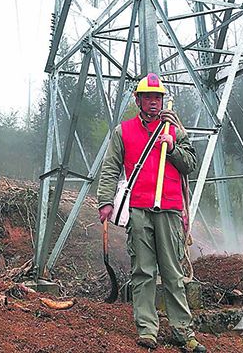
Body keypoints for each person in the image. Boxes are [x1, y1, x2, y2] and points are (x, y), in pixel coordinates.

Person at [96, 73, 206, 352]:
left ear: (162, 100)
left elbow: (190, 163)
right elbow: (110, 168)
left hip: (170, 208)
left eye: (157, 98)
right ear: (139, 100)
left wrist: (171, 149)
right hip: (139, 209)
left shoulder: (174, 130)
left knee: (173, 273)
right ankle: (147, 329)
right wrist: (105, 202)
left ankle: (183, 331)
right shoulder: (123, 132)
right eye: (148, 97)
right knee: (143, 271)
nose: (153, 103)